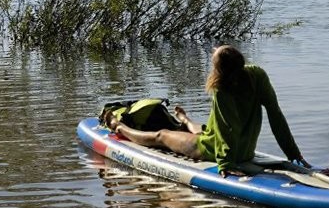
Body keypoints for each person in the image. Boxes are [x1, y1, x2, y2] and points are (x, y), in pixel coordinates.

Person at [111, 45, 310, 176]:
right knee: (205, 129)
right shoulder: (258, 74)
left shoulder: (221, 87)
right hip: (245, 150)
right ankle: (186, 120)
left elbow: (226, 129)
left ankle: (119, 127)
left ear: (219, 70)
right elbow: (276, 115)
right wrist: (293, 153)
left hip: (214, 150)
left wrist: (225, 165)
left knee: (162, 136)